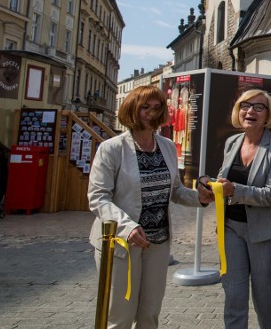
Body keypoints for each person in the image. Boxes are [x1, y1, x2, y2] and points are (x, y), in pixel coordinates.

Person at [87, 85, 214, 329]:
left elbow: (175, 190)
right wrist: (128, 228)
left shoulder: (166, 146)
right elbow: (98, 197)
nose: (151, 113)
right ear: (131, 109)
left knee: (149, 315)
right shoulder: (112, 149)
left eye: (157, 107)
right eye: (145, 107)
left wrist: (200, 198)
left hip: (157, 243)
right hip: (121, 244)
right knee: (120, 316)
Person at [214, 89, 271, 329]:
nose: (250, 111)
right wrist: (210, 185)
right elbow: (222, 177)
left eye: (259, 107)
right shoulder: (232, 142)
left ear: (268, 114)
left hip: (265, 233)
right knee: (234, 297)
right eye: (245, 105)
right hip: (231, 229)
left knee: (263, 299)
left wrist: (233, 190)